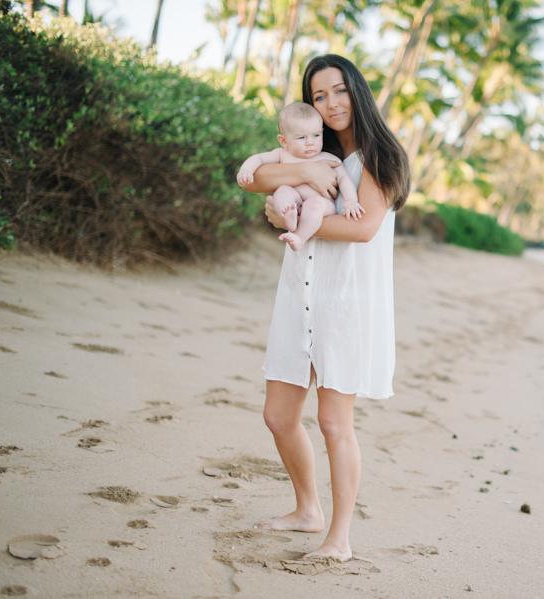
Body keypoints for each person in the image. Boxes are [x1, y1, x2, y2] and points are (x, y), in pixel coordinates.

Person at [239, 54, 410, 563]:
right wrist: (289, 182)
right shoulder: (315, 153)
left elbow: (362, 229)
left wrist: (285, 218)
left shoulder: (381, 157)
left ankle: (338, 538)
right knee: (277, 416)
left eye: (339, 91)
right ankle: (307, 509)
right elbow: (253, 178)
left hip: (348, 302)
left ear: (357, 90)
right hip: (301, 292)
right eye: (319, 96)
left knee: (335, 424)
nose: (331, 103)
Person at [236, 102, 364, 251]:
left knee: (315, 204)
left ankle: (300, 237)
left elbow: (343, 178)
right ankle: (288, 215)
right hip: (294, 203)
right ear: (284, 141)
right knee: (282, 191)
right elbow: (258, 159)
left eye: (316, 135)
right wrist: (246, 170)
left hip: (322, 206)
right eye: (301, 137)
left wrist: (350, 200)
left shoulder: (329, 158)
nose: (310, 143)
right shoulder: (282, 155)